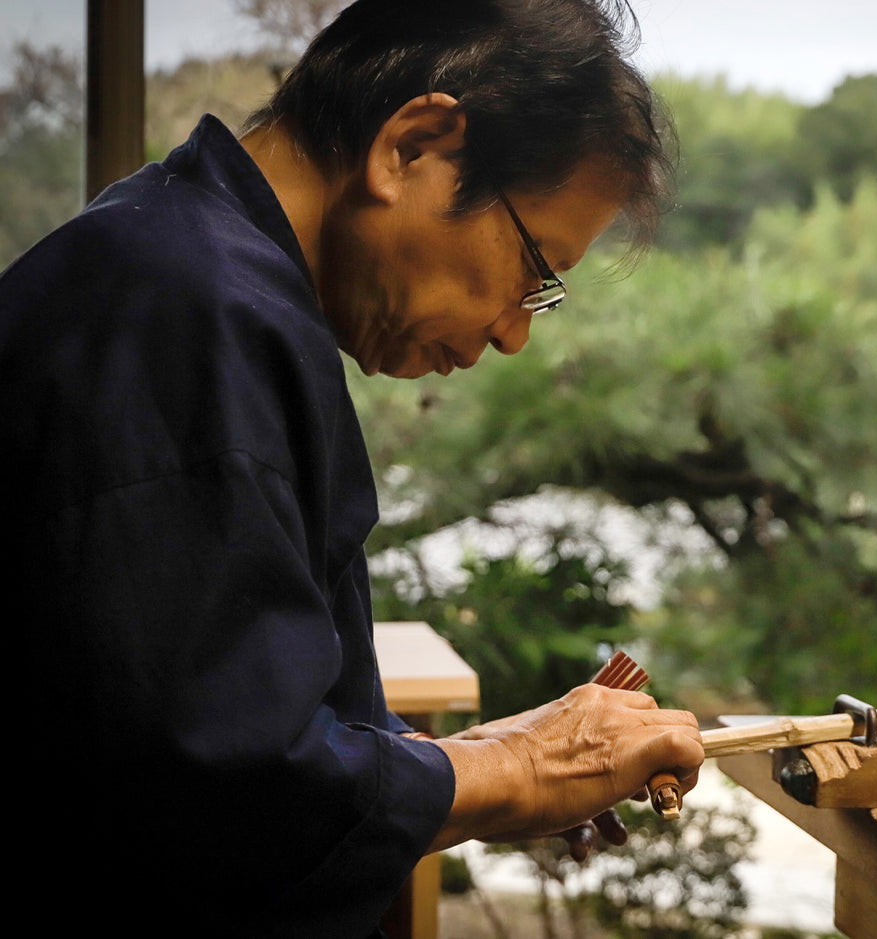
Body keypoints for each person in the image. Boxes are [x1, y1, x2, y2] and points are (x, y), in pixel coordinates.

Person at [0, 1, 704, 935]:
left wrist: (495, 763)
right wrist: (528, 767)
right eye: (533, 267)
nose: (514, 331)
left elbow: (205, 721)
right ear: (413, 144)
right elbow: (223, 799)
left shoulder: (177, 257)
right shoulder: (186, 311)